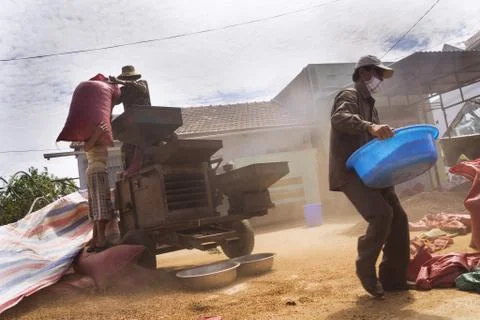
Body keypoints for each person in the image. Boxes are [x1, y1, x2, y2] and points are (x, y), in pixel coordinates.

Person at [329, 55, 410, 297]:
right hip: (351, 172)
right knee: (382, 214)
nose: (380, 82)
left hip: (372, 171)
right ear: (365, 74)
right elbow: (339, 119)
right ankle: (365, 268)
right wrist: (370, 127)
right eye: (378, 75)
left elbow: (375, 140)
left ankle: (393, 279)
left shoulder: (371, 106)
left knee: (399, 218)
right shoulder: (349, 95)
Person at [83, 74, 121, 253]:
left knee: (98, 206)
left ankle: (96, 239)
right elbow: (86, 146)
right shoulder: (92, 129)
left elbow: (110, 141)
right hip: (97, 171)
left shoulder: (97, 125)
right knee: (101, 206)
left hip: (96, 170)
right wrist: (98, 132)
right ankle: (100, 240)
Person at [109, 65, 151, 176]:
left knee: (141, 141)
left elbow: (142, 89)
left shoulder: (142, 83)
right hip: (132, 124)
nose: (128, 80)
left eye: (129, 78)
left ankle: (137, 165)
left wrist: (118, 82)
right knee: (126, 147)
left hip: (146, 120)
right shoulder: (123, 90)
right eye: (126, 79)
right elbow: (114, 100)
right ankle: (129, 170)